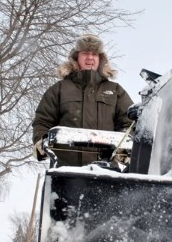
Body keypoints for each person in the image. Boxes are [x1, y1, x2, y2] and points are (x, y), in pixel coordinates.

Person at [32, 33, 133, 166]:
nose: (90, 58)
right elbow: (43, 121)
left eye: (95, 54)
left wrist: (124, 147)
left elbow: (129, 123)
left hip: (106, 174)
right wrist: (41, 141)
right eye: (85, 53)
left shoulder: (115, 91)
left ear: (101, 59)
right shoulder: (59, 89)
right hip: (65, 172)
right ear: (76, 57)